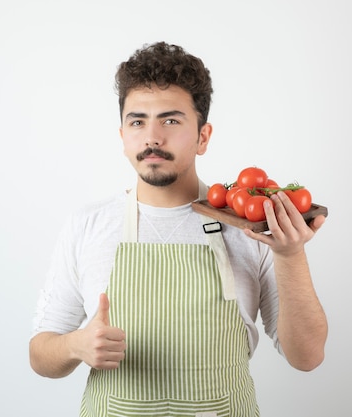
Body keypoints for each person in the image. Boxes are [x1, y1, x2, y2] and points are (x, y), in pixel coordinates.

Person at [29, 41, 328, 416]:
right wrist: (76, 345)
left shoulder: (250, 228)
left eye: (171, 120)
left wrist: (290, 253)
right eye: (137, 121)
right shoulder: (88, 225)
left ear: (203, 137)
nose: (152, 136)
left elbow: (308, 357)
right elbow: (40, 354)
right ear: (123, 137)